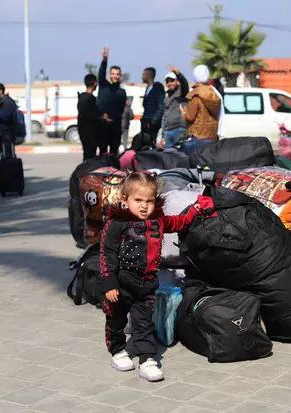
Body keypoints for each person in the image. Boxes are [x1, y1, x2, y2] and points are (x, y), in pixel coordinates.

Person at [98, 172, 201, 381]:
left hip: (147, 283)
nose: (144, 206)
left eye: (149, 201)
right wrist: (109, 282)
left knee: (144, 322)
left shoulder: (158, 220)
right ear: (125, 199)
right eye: (138, 200)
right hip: (120, 283)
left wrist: (196, 209)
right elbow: (106, 252)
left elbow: (178, 222)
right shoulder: (118, 222)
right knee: (116, 319)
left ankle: (147, 359)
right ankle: (117, 351)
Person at [180, 65, 221, 155]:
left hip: (197, 138)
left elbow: (190, 117)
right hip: (212, 137)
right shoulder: (214, 93)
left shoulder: (196, 94)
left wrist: (183, 113)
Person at [97, 47, 127, 155]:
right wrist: (104, 60)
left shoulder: (122, 92)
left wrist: (111, 117)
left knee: (114, 153)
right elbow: (100, 74)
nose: (115, 76)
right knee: (103, 153)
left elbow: (121, 109)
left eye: (117, 74)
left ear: (120, 76)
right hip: (102, 126)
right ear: (110, 74)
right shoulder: (104, 86)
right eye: (113, 73)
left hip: (115, 126)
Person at [78, 74, 108, 160]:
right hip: (90, 134)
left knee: (87, 156)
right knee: (89, 157)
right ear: (95, 83)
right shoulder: (90, 99)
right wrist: (102, 118)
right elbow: (90, 116)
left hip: (84, 132)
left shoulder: (82, 97)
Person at [161, 66, 188, 148]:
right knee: (168, 157)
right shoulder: (166, 97)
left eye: (172, 81)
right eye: (167, 81)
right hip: (168, 131)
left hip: (179, 130)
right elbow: (165, 116)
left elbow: (184, 83)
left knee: (181, 156)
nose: (169, 83)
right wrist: (163, 134)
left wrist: (178, 73)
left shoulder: (182, 92)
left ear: (177, 82)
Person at [0, 82, 18, 158]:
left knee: (8, 156)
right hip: (1, 133)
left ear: (0, 91)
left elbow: (6, 116)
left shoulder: (7, 102)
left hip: (7, 133)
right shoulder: (0, 101)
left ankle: (10, 168)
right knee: (3, 155)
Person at [141, 67, 165, 145]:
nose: (142, 76)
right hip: (145, 121)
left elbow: (161, 106)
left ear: (149, 75)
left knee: (151, 144)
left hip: (152, 123)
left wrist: (153, 122)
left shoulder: (157, 88)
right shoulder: (148, 88)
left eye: (143, 74)